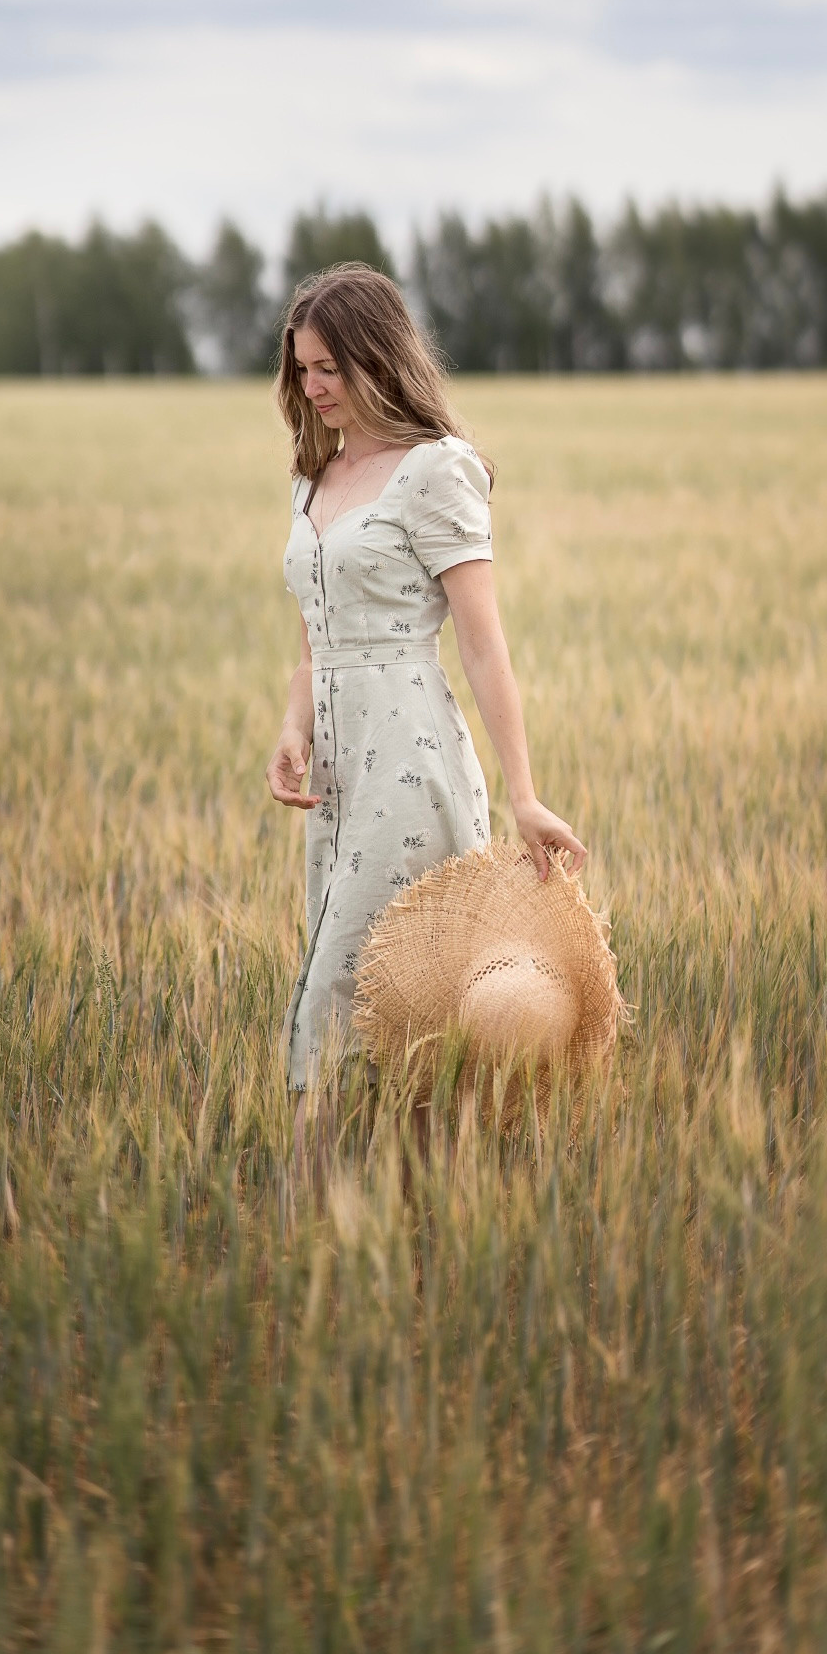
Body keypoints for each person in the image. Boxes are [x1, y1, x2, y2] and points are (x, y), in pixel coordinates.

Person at [265, 263, 587, 1102]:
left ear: (378, 357)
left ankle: (337, 1196)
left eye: (330, 366)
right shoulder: (313, 478)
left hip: (409, 759)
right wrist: (294, 729)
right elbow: (313, 642)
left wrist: (523, 794)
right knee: (355, 982)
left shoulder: (435, 472)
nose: (314, 386)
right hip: (337, 775)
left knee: (362, 984)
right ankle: (360, 1202)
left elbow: (484, 647)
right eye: (303, 369)